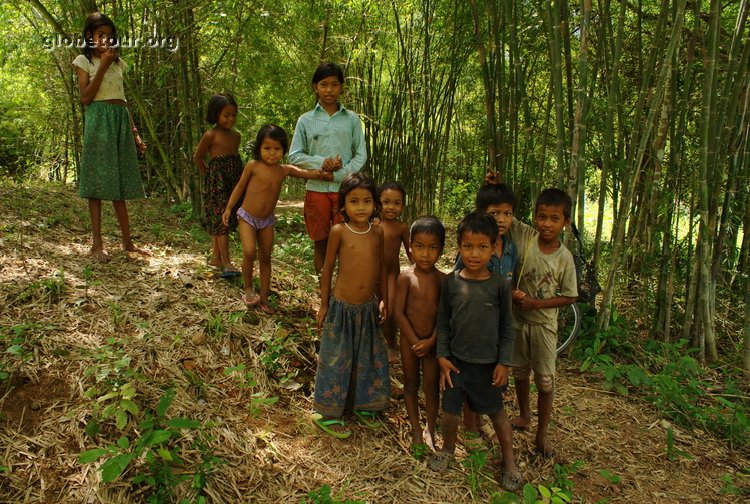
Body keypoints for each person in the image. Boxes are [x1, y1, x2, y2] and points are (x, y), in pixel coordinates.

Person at [429, 212, 521, 492]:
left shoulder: (499, 286)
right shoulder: (451, 282)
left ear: (494, 248)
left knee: (497, 412)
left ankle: (509, 462)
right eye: (468, 246)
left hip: (487, 365)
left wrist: (504, 362)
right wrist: (442, 357)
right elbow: (443, 323)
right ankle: (447, 449)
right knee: (450, 410)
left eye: (483, 247)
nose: (474, 253)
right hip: (456, 363)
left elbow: (508, 328)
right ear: (459, 246)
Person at [222, 125, 332, 313]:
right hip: (247, 217)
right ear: (259, 148)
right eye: (267, 148)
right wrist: (229, 208)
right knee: (249, 252)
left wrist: (322, 174)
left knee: (266, 256)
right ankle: (248, 288)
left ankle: (264, 296)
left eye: (277, 149)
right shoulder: (253, 166)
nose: (272, 153)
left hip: (267, 221)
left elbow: (307, 174)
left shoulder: (284, 170)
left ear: (283, 150)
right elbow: (240, 187)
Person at [312, 172, 389, 439]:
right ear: (343, 205)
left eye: (366, 201)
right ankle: (327, 412)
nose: (361, 207)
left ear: (374, 204)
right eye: (354, 201)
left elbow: (379, 270)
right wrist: (324, 304)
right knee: (336, 359)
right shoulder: (338, 231)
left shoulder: (377, 233)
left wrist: (383, 300)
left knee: (366, 357)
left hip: (367, 308)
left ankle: (364, 405)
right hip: (342, 308)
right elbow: (327, 269)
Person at [72, 12, 148, 263]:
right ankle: (97, 243)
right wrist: (102, 66)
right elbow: (85, 98)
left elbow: (123, 101)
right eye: (100, 35)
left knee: (119, 183)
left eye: (109, 35)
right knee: (96, 184)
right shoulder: (84, 61)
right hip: (98, 120)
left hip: (120, 122)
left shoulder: (118, 63)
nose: (106, 40)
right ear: (89, 37)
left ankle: (128, 242)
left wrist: (135, 135)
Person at [508, 188, 577, 461]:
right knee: (520, 372)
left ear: (565, 223)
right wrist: (492, 186)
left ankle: (542, 435)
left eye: (554, 219)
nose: (546, 224)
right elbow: (504, 215)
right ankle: (524, 415)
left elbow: (570, 296)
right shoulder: (526, 237)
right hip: (518, 321)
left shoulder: (564, 258)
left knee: (545, 381)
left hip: (544, 326)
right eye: (542, 217)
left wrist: (537, 304)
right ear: (535, 217)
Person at [454, 182, 519, 446]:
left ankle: (482, 419)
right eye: (494, 214)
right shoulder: (475, 248)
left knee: (491, 378)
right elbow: (457, 279)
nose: (501, 220)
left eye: (506, 214)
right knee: (471, 376)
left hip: (496, 325)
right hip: (472, 322)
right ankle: (470, 425)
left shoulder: (511, 247)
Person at [288, 62, 367, 276]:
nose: (329, 90)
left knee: (347, 241)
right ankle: (324, 293)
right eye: (324, 84)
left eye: (334, 84)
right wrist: (322, 163)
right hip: (316, 189)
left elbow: (361, 154)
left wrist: (340, 175)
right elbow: (294, 155)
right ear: (315, 87)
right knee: (320, 241)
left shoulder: (352, 119)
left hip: (346, 191)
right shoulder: (305, 120)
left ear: (341, 87)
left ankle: (343, 292)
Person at [393, 216, 445, 457]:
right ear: (410, 246)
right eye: (420, 247)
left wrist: (432, 340)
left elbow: (445, 316)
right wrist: (414, 341)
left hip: (433, 343)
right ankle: (415, 428)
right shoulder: (406, 277)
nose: (425, 254)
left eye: (432, 247)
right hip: (410, 341)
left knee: (432, 387)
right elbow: (398, 312)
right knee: (411, 383)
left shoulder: (443, 280)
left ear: (441, 250)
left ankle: (431, 428)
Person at [193, 93, 243, 277]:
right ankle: (227, 262)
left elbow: (235, 161)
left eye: (233, 115)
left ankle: (216, 257)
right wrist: (209, 176)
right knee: (221, 219)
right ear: (215, 115)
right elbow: (197, 157)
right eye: (226, 115)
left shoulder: (236, 136)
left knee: (228, 218)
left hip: (234, 183)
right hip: (217, 184)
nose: (230, 119)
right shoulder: (210, 135)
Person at [377, 181, 412, 362]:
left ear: (402, 206)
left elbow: (411, 251)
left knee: (389, 310)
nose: (391, 207)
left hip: (391, 274)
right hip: (371, 274)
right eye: (386, 202)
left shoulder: (402, 227)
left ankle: (391, 343)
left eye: (397, 203)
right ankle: (374, 343)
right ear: (378, 202)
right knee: (371, 309)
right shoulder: (372, 223)